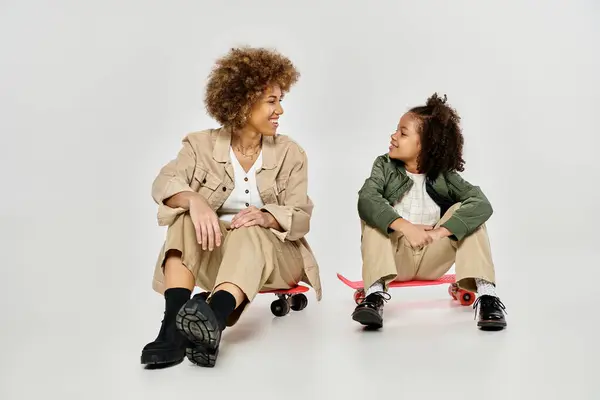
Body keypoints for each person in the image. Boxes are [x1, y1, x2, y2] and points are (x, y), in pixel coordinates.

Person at [141, 47, 322, 368]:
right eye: (271, 101)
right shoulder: (200, 145)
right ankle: (175, 327)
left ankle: (215, 313)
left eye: (281, 100)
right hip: (218, 260)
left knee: (249, 226)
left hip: (278, 262)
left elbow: (301, 217)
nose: (279, 110)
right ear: (242, 102)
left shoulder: (291, 153)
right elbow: (164, 183)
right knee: (183, 219)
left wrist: (266, 217)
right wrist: (194, 201)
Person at [352, 93, 506, 331]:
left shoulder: (444, 176)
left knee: (468, 212)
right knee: (374, 215)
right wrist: (405, 227)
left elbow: (482, 203)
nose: (393, 136)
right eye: (396, 130)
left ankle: (487, 297)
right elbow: (367, 199)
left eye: (403, 133)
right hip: (395, 259)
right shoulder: (384, 166)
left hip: (432, 258)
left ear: (426, 145)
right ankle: (373, 297)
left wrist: (440, 232)